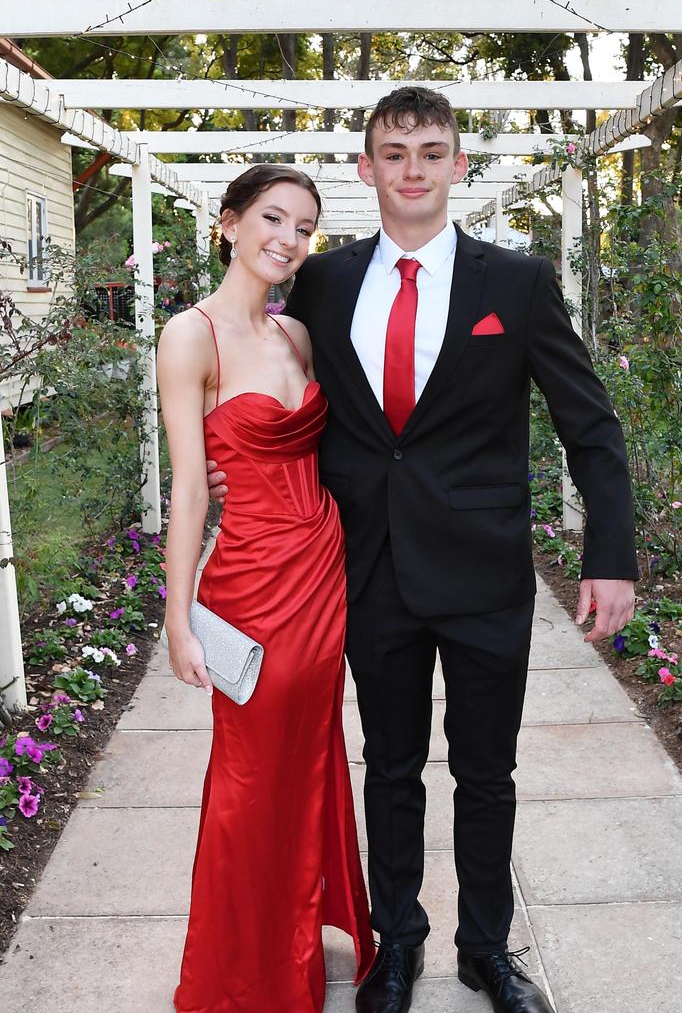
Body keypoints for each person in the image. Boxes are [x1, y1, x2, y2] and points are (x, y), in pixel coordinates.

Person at [208, 88, 638, 1013]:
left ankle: (486, 948)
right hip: (368, 570)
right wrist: (232, 471)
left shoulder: (515, 284)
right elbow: (278, 393)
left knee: (486, 772)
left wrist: (612, 557)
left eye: (431, 152)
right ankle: (395, 946)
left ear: (458, 167)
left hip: (485, 571)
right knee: (391, 769)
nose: (412, 169)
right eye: (393, 153)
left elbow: (590, 426)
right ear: (366, 170)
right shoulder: (321, 283)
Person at [157, 164, 375, 1013]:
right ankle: (242, 970)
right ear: (229, 223)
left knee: (312, 756)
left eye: (304, 227)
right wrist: (179, 617)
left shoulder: (297, 339)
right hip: (250, 584)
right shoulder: (192, 335)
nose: (288, 239)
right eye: (273, 219)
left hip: (324, 572)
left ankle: (295, 936)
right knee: (250, 777)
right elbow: (189, 487)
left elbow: (321, 454)